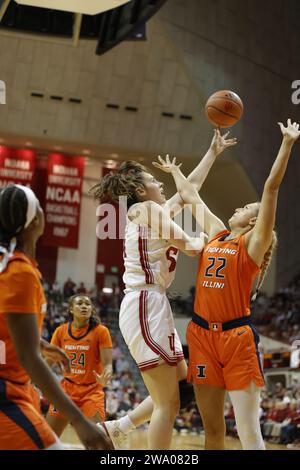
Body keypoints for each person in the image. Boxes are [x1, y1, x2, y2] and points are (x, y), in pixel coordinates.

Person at [155, 119, 300, 450]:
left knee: (249, 432)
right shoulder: (219, 230)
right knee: (213, 431)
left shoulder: (253, 245)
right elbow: (190, 195)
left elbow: (270, 190)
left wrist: (287, 144)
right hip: (202, 335)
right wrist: (182, 168)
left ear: (252, 221)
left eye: (245, 207)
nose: (238, 206)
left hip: (237, 339)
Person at [90, 130, 236, 450]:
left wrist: (212, 152)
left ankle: (118, 427)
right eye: (155, 181)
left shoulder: (153, 212)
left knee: (181, 391)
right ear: (142, 189)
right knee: (167, 405)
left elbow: (188, 191)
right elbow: (189, 244)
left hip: (153, 303)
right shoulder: (144, 210)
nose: (161, 184)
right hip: (145, 302)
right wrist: (218, 241)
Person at [0, 184, 112, 450]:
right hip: (7, 390)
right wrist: (80, 422)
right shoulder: (19, 272)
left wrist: (39, 344)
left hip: (17, 387)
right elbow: (28, 359)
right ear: (34, 221)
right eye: (39, 206)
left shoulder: (11, 264)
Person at [46, 294, 113, 436]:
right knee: (48, 437)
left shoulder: (101, 331)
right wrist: (32, 378)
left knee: (97, 439)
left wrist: (106, 374)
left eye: (88, 304)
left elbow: (108, 364)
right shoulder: (60, 331)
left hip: (92, 391)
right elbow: (48, 361)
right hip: (66, 390)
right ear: (71, 309)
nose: (84, 306)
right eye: (80, 303)